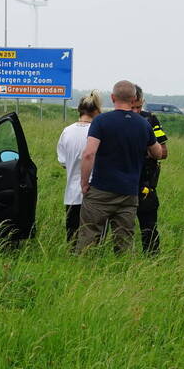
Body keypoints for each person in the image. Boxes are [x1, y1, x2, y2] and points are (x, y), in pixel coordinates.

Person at [75, 80, 164, 253]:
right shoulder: (143, 124)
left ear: (112, 97)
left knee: (89, 236)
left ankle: (84, 270)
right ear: (133, 99)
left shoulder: (101, 121)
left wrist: (84, 183)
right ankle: (122, 273)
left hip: (101, 189)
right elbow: (158, 153)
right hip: (129, 192)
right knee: (124, 241)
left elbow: (88, 154)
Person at [56, 91, 101, 242]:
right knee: (94, 241)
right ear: (96, 111)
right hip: (95, 194)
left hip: (71, 195)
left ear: (79, 110)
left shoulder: (66, 132)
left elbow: (63, 162)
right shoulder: (97, 132)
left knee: (72, 239)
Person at [131, 86, 168, 254]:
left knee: (149, 228)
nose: (136, 111)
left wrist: (148, 150)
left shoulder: (151, 120)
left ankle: (153, 259)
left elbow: (164, 153)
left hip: (146, 183)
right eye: (132, 107)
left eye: (139, 106)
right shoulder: (114, 120)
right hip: (122, 183)